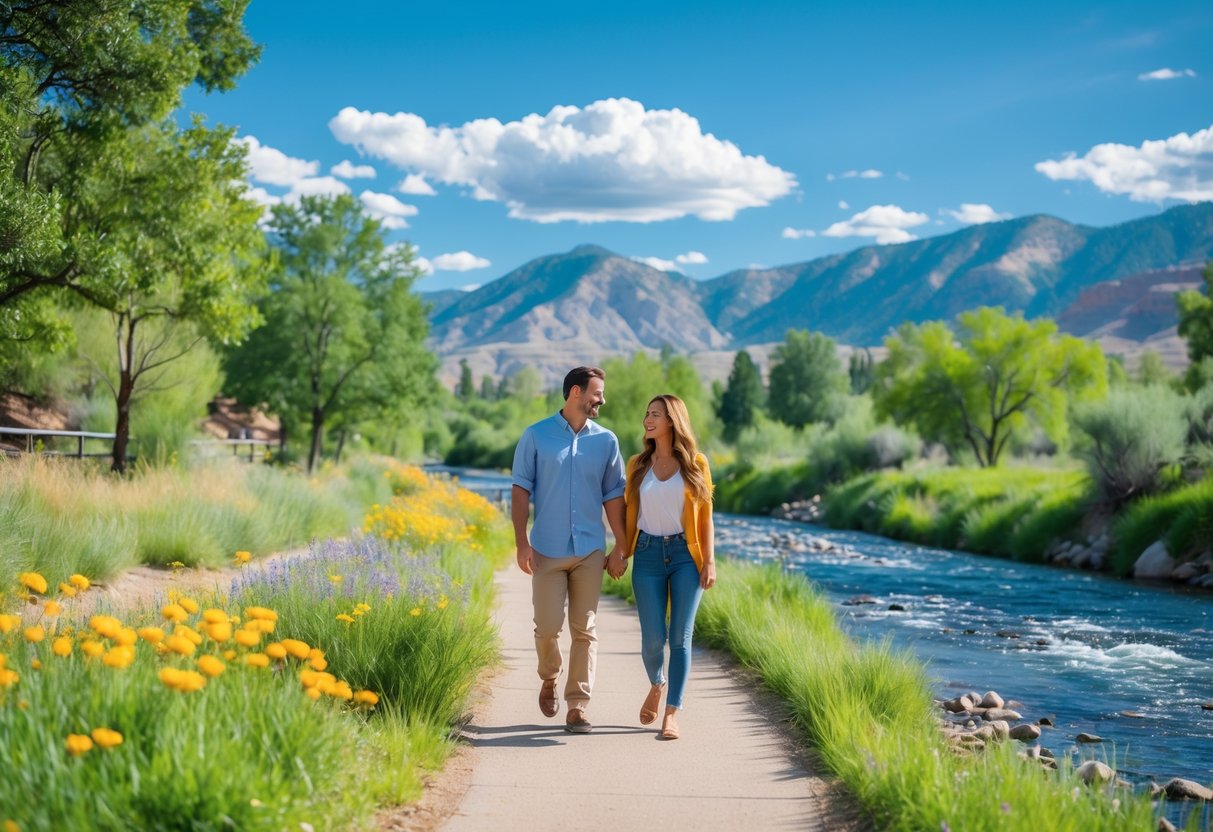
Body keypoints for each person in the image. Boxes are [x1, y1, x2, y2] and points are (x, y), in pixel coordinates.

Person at [511, 366, 627, 734]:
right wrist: (521, 542)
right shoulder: (536, 436)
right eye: (596, 393)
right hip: (546, 549)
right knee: (547, 628)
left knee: (585, 629)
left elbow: (614, 497)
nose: (602, 400)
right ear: (575, 392)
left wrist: (621, 546)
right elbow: (520, 491)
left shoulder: (607, 441)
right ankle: (549, 677)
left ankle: (577, 705)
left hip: (590, 550)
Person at [606, 394, 715, 741]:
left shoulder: (696, 463)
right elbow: (629, 515)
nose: (648, 419)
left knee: (681, 638)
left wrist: (709, 560)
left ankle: (672, 714)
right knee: (654, 639)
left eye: (656, 414)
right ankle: (657, 681)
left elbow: (707, 516)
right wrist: (621, 551)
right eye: (647, 413)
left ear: (673, 421)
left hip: (686, 556)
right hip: (649, 555)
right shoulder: (638, 464)